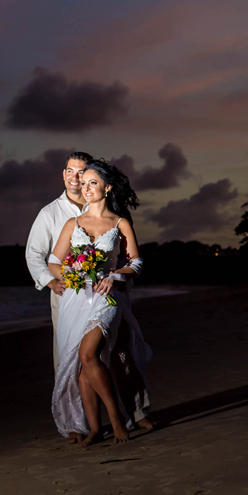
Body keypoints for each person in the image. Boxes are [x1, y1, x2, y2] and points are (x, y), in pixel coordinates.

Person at [48, 159, 153, 446]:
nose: (86, 188)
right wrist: (69, 275)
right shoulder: (73, 223)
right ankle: (94, 428)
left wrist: (117, 274)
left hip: (107, 297)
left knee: (90, 353)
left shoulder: (120, 222)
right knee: (83, 364)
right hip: (75, 298)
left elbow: (137, 262)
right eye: (83, 184)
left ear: (107, 187)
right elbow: (54, 261)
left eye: (92, 182)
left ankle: (118, 419)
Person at [26, 151, 93, 374]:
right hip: (65, 292)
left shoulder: (101, 206)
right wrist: (51, 283)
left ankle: (128, 408)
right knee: (66, 353)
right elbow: (34, 253)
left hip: (100, 291)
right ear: (63, 174)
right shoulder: (49, 213)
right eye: (70, 171)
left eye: (80, 172)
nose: (74, 177)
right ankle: (68, 409)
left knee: (112, 350)